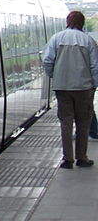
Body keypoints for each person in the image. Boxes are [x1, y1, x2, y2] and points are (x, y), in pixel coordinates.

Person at [42, 10, 98, 168]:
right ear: (82, 23)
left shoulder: (56, 38)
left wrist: (55, 75)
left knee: (65, 123)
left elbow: (47, 61)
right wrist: (94, 84)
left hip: (62, 88)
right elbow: (95, 66)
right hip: (83, 88)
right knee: (83, 123)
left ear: (67, 22)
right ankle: (82, 157)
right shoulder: (88, 40)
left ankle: (67, 159)